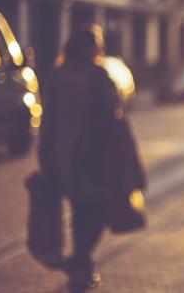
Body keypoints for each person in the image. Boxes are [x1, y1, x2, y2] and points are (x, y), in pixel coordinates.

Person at [38, 27, 142, 291]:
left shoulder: (57, 75)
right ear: (90, 48)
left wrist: (46, 155)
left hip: (64, 159)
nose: (100, 49)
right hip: (94, 159)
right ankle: (80, 262)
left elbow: (47, 120)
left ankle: (80, 266)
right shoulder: (98, 76)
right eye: (97, 44)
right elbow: (114, 117)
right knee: (94, 213)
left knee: (80, 211)